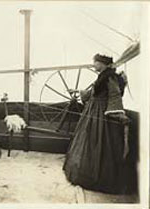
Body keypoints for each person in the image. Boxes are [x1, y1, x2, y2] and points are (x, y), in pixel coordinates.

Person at [63, 54, 129, 194]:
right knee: (87, 140)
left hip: (101, 112)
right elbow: (93, 93)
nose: (94, 65)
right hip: (92, 111)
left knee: (99, 141)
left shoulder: (110, 77)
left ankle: (98, 177)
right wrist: (78, 91)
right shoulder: (102, 77)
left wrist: (115, 112)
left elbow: (115, 94)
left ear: (103, 64)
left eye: (96, 63)